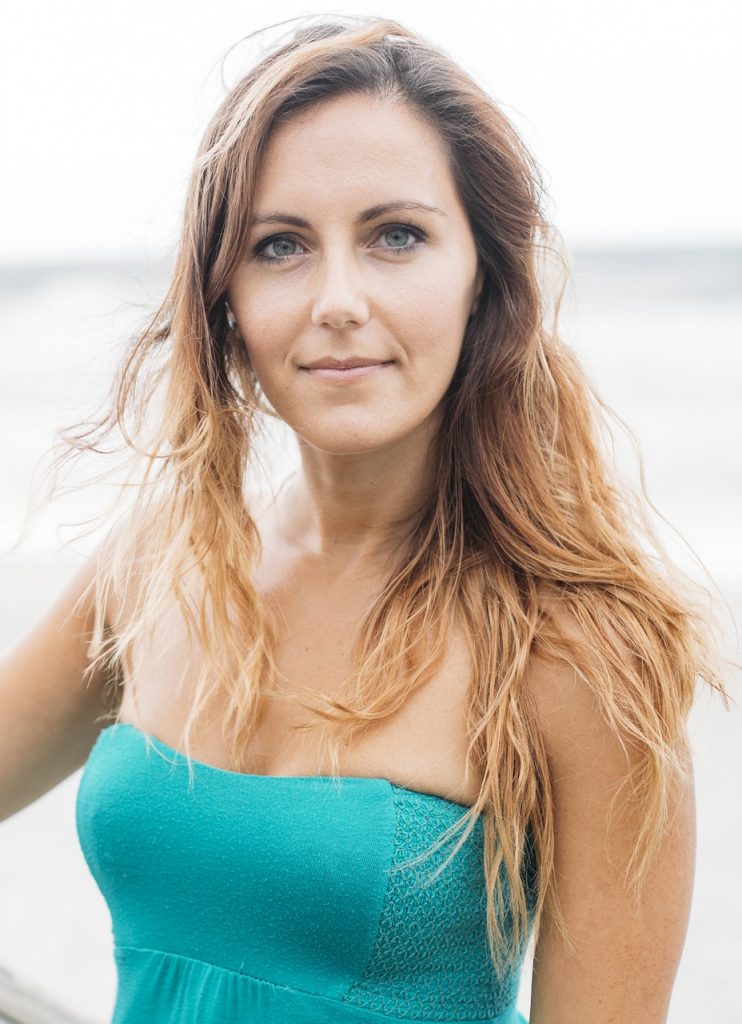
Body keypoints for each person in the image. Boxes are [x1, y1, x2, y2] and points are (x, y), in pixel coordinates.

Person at [0, 14, 733, 1024]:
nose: (337, 300)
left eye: (396, 236)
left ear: (485, 278)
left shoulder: (580, 653)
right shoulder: (160, 565)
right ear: (225, 297)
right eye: (280, 245)